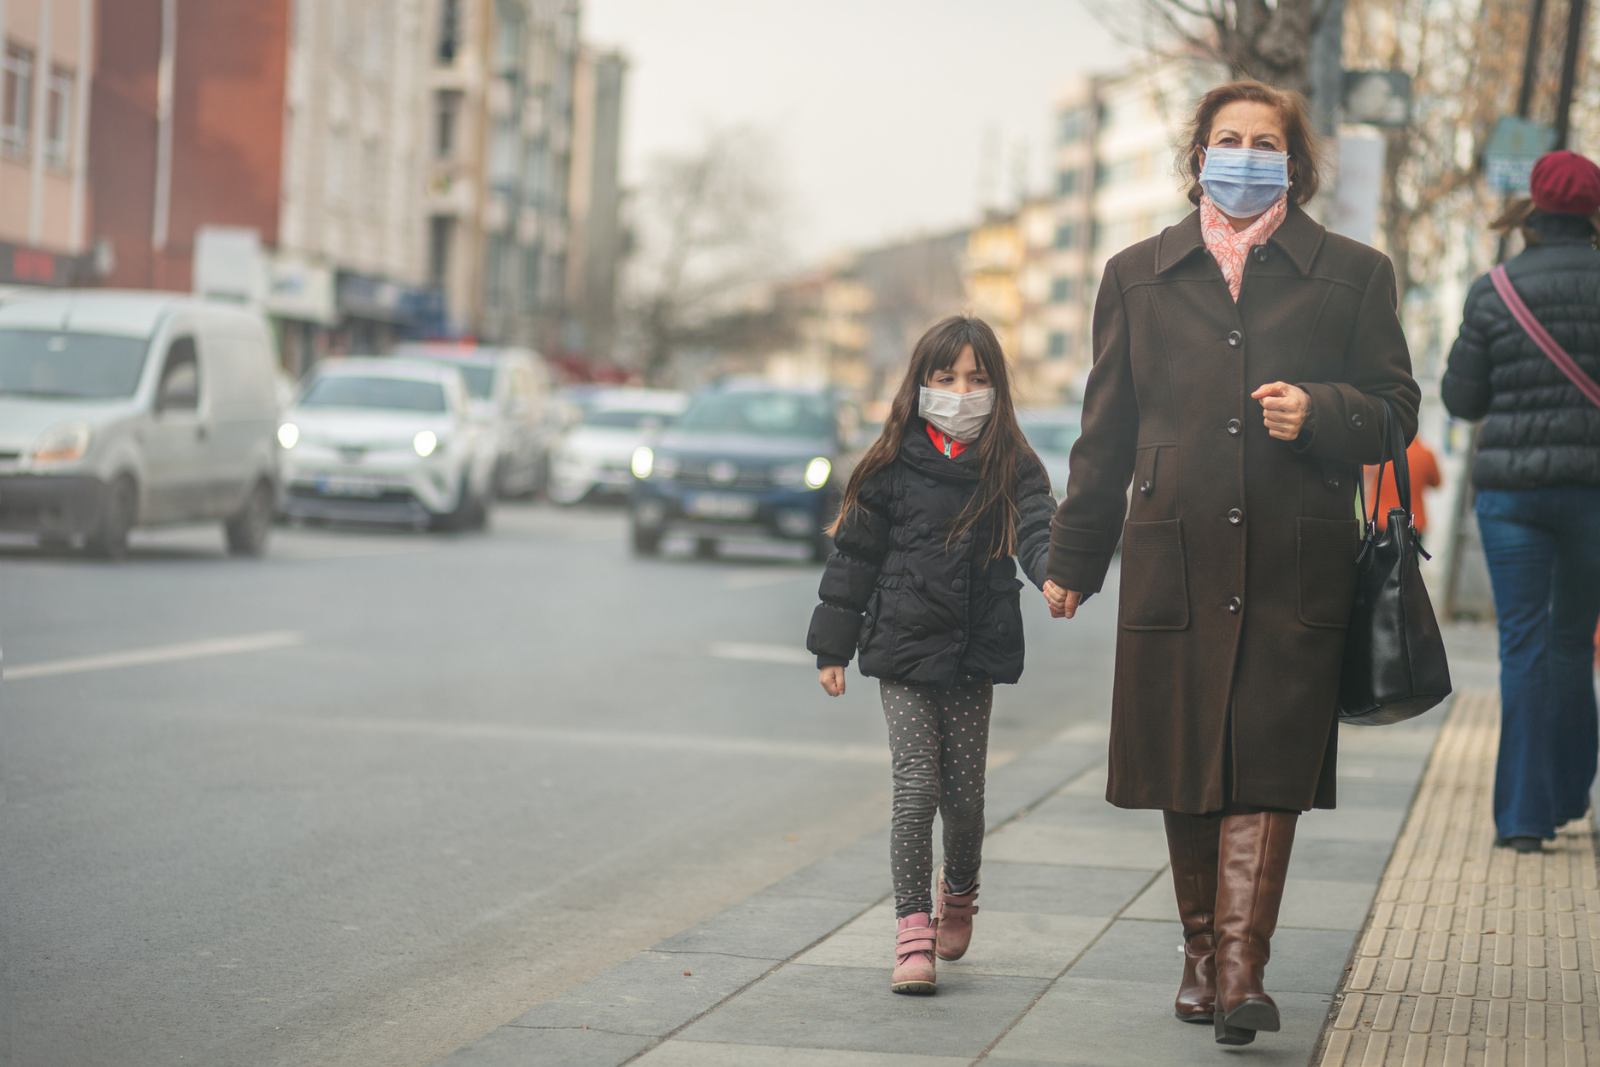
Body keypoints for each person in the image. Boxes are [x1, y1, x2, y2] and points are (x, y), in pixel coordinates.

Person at [1041, 80, 1420, 1046]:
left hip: (1298, 555)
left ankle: (1243, 968)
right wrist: (1074, 556)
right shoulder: (1136, 273)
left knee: (1268, 754)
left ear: (1295, 160)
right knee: (1187, 757)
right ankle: (1202, 951)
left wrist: (1325, 412)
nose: (1245, 153)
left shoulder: (1353, 272)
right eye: (1227, 138)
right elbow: (1106, 430)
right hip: (1175, 550)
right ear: (1197, 154)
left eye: (1265, 140)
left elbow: (1395, 410)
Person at [806, 315, 1054, 995]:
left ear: (998, 388)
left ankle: (962, 888)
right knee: (917, 787)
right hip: (901, 645)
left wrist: (1055, 572)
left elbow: (1038, 524)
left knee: (964, 801)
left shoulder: (1011, 462)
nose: (961, 391)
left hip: (973, 650)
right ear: (920, 384)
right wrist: (833, 642)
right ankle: (912, 930)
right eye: (945, 378)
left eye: (977, 378)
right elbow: (853, 555)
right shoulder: (890, 463)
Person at [1441, 149, 1600, 854]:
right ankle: (1572, 794)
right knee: (1573, 642)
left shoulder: (1494, 288)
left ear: (1533, 208)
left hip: (1512, 497)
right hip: (1593, 493)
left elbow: (1462, 398)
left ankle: (1524, 817)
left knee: (1525, 646)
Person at [1366, 435, 1441, 533]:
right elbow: (1436, 483)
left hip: (1381, 520)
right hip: (1413, 523)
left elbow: (1365, 476)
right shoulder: (1426, 455)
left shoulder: (1380, 453)